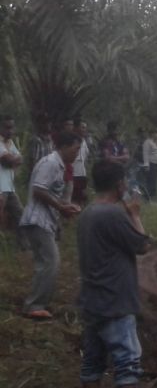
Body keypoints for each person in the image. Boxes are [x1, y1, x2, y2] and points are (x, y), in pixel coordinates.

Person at [77, 159, 157, 388]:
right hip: (115, 298)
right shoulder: (112, 214)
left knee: (92, 359)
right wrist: (135, 214)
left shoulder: (87, 212)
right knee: (127, 356)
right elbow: (143, 246)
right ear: (119, 184)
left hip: (92, 298)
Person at [17, 131, 82, 319]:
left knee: (44, 263)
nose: (77, 154)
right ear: (63, 146)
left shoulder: (58, 165)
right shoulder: (51, 163)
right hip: (38, 220)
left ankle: (38, 302)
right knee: (51, 261)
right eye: (75, 149)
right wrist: (61, 206)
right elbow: (39, 189)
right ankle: (34, 305)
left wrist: (63, 206)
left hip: (43, 220)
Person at [0, 116, 22, 233]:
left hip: (9, 187)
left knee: (19, 213)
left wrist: (12, 160)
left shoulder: (9, 142)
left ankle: (24, 246)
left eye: (12, 128)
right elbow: (8, 160)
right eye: (7, 128)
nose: (10, 131)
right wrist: (12, 160)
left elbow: (19, 159)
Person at [70, 119, 91, 206]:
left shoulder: (84, 142)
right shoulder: (71, 141)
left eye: (85, 128)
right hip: (73, 173)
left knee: (81, 197)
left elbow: (85, 157)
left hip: (82, 173)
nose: (84, 129)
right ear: (77, 128)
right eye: (82, 127)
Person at [142, 130, 157, 200]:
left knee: (154, 181)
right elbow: (145, 154)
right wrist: (146, 165)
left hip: (156, 164)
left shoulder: (154, 143)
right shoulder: (147, 142)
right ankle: (148, 197)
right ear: (152, 134)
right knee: (151, 181)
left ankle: (153, 196)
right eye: (156, 133)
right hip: (151, 164)